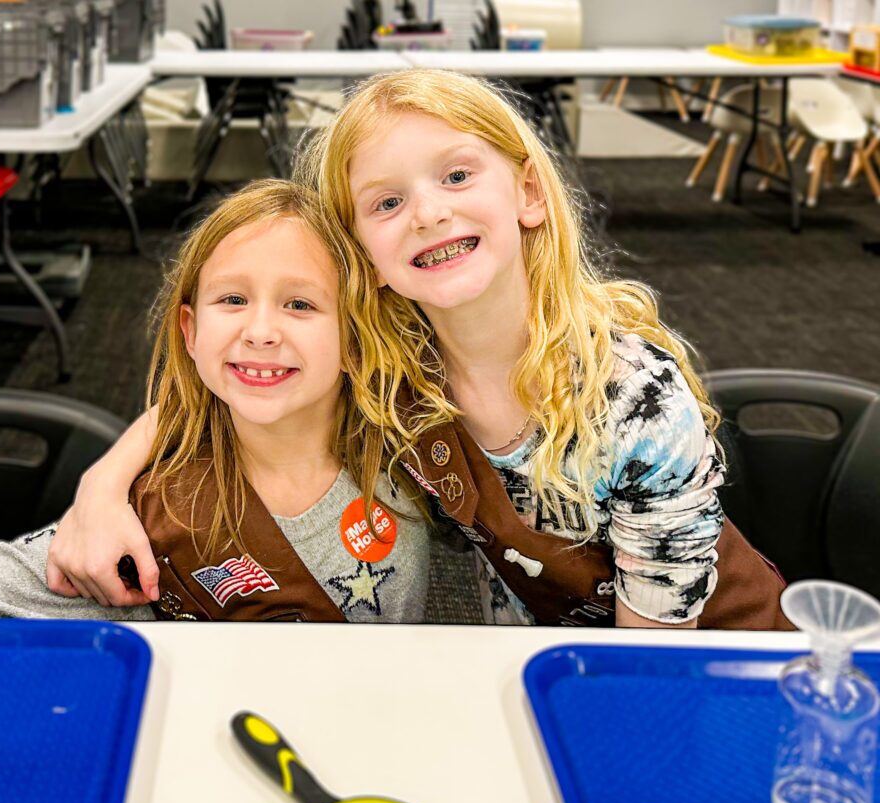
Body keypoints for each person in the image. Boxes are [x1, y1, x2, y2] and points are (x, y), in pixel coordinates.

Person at [47, 71, 789, 631]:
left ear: (529, 194)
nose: (429, 212)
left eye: (457, 175)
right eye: (387, 202)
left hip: (721, 668)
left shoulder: (633, 400)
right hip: (548, 658)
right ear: (361, 255)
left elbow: (651, 664)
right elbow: (227, 388)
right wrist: (102, 487)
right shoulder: (395, 364)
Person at [0, 180, 430, 624]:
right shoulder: (146, 516)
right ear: (191, 332)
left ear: (356, 338)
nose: (260, 331)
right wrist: (103, 488)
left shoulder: (414, 455)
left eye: (299, 303)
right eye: (233, 299)